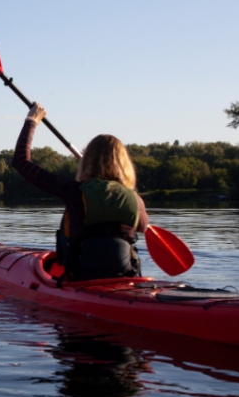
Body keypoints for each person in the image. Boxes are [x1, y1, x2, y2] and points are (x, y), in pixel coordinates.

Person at [13, 103, 148, 281]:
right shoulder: (135, 200)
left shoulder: (74, 191)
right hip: (125, 278)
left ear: (87, 161)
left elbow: (21, 162)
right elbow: (143, 227)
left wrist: (32, 120)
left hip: (82, 279)